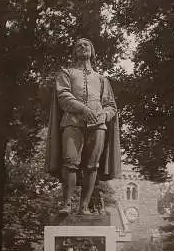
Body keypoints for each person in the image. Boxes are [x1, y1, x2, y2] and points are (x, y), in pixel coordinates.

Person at [46, 38, 121, 214]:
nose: (82, 47)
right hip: (73, 122)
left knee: (92, 165)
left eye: (86, 44)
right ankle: (66, 204)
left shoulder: (102, 80)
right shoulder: (66, 73)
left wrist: (104, 115)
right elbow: (63, 96)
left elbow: (111, 106)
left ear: (92, 51)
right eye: (78, 45)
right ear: (74, 52)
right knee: (70, 161)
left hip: (98, 125)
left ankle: (84, 206)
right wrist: (83, 109)